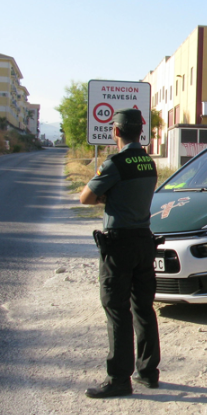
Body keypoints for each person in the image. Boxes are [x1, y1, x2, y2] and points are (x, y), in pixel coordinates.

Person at [80, 108, 160, 398]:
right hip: (143, 241)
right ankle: (149, 372)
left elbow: (86, 197)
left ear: (115, 131)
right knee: (144, 308)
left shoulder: (115, 163)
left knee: (116, 309)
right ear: (140, 132)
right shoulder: (149, 163)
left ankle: (118, 379)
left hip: (120, 243)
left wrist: (106, 196)